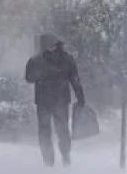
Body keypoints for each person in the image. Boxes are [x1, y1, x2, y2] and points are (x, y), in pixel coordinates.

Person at [25, 33, 86, 167]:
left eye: (54, 45)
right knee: (45, 131)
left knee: (62, 130)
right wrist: (37, 73)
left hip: (61, 101)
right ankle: (48, 161)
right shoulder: (36, 60)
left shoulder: (66, 59)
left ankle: (65, 156)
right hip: (43, 101)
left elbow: (75, 79)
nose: (52, 48)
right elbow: (29, 78)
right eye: (49, 46)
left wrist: (80, 97)